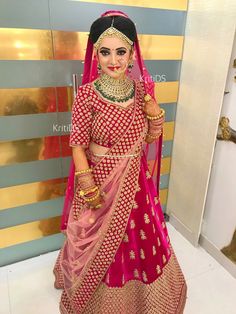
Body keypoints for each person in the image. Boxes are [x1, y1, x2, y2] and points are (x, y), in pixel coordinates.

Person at [53, 10, 187, 314]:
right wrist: (88, 187)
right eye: (105, 52)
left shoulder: (141, 92)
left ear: (132, 54)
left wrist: (153, 109)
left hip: (136, 187)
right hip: (99, 183)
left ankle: (143, 301)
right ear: (96, 56)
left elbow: (151, 138)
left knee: (140, 245)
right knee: (97, 244)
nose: (114, 60)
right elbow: (77, 145)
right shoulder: (87, 95)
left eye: (121, 51)